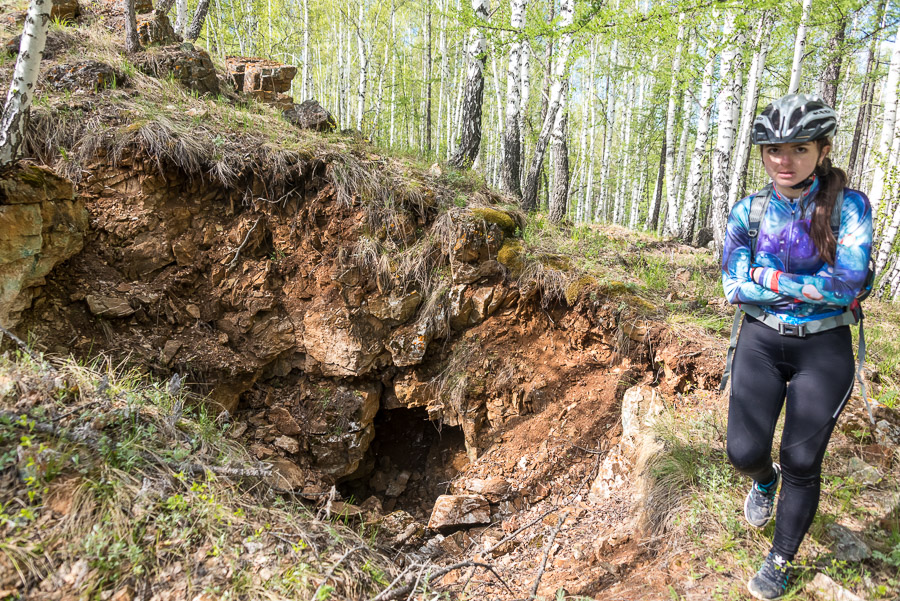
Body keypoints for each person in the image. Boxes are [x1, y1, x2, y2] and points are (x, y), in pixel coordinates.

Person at [720, 93, 873, 600]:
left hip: (824, 347)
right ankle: (764, 481)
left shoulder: (849, 208)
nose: (784, 161)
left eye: (799, 149)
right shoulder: (749, 210)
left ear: (823, 150)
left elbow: (848, 287)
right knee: (743, 452)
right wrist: (808, 284)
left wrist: (766, 274)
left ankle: (781, 558)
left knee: (803, 462)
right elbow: (733, 287)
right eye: (773, 150)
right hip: (761, 338)